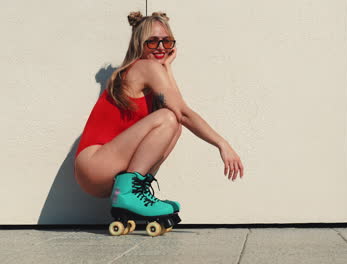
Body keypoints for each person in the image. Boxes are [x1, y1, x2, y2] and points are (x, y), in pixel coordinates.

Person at [74, 11, 244, 199]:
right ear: (140, 44)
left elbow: (177, 104)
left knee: (174, 124)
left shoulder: (148, 69)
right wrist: (222, 144)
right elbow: (182, 112)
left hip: (98, 170)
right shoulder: (145, 66)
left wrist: (168, 67)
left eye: (167, 41)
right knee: (168, 118)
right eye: (153, 41)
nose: (161, 47)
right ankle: (131, 193)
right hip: (95, 164)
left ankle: (135, 193)